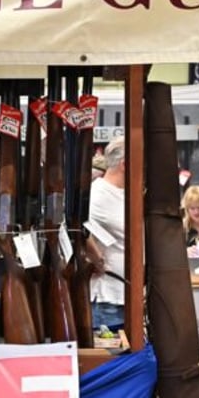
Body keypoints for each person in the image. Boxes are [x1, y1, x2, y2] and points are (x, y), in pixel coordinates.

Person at [87, 138, 125, 330]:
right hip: (108, 300)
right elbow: (77, 229)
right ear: (124, 164)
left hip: (126, 298)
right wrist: (96, 259)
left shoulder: (128, 194)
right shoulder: (98, 194)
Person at [181, 184, 199, 257]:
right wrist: (184, 253)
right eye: (192, 208)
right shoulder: (181, 229)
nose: (196, 212)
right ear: (187, 209)